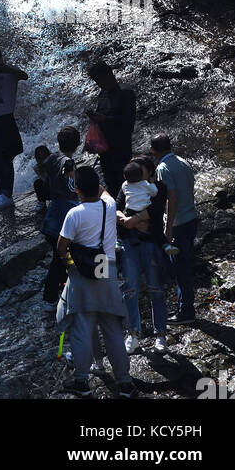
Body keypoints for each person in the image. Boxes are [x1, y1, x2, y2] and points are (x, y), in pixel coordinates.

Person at [56, 166, 134, 398]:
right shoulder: (109, 207)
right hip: (107, 270)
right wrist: (93, 182)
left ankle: (81, 381)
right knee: (112, 331)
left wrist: (70, 263)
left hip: (82, 276)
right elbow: (106, 193)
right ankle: (125, 383)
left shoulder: (75, 214)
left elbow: (61, 247)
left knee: (82, 330)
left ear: (77, 189)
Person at [116, 155, 168, 354]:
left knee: (156, 289)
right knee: (130, 290)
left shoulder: (158, 187)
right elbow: (116, 207)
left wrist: (133, 219)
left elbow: (154, 213)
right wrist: (126, 220)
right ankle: (133, 333)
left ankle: (161, 334)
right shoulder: (126, 185)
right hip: (129, 243)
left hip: (150, 244)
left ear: (148, 171)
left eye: (139, 169)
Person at [40, 126, 95, 311]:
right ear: (77, 143)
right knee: (61, 259)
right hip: (64, 216)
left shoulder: (53, 158)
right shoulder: (69, 164)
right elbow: (72, 188)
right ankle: (50, 298)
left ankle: (59, 294)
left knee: (61, 258)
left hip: (52, 214)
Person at [150, 135, 198, 324]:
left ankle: (186, 311)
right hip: (191, 218)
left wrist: (167, 228)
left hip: (178, 224)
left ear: (153, 150)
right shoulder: (182, 162)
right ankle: (186, 306)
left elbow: (171, 199)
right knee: (183, 264)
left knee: (180, 268)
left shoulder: (163, 168)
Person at [0, 40, 28, 209]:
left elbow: (25, 75)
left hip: (6, 118)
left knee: (6, 157)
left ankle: (7, 194)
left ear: (0, 55)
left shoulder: (11, 71)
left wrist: (5, 67)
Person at [85, 60, 136, 195]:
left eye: (99, 80)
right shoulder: (103, 93)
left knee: (123, 183)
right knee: (110, 182)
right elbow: (101, 114)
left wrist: (105, 119)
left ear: (109, 74)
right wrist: (95, 118)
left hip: (121, 148)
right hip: (105, 149)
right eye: (96, 81)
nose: (98, 84)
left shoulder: (125, 93)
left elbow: (129, 123)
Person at [33, 144, 51, 212]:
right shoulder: (37, 167)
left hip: (59, 190)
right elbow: (44, 180)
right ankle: (41, 202)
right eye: (40, 159)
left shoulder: (54, 162)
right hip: (49, 189)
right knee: (37, 182)